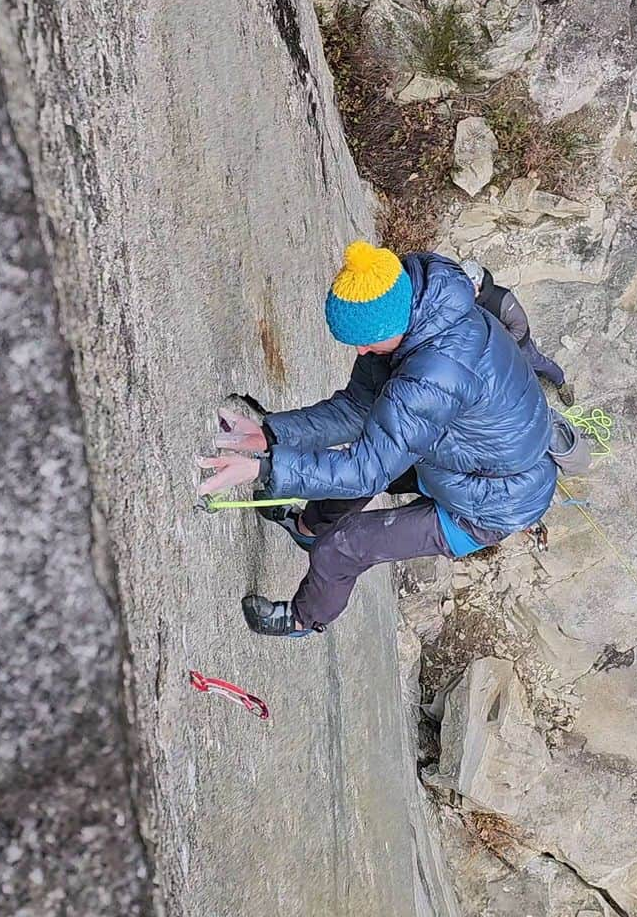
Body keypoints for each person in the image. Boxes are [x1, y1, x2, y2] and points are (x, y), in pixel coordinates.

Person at [197, 241, 560, 638]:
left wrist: (265, 468)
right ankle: (307, 526)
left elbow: (365, 470)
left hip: (491, 502)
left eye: (367, 340)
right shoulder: (412, 316)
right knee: (360, 467)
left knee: (343, 546)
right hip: (465, 458)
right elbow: (357, 408)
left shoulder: (434, 374)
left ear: (392, 324)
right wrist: (272, 435)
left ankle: (302, 619)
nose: (361, 350)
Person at [459, 258, 574, 401]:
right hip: (494, 344)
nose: (470, 288)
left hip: (517, 343)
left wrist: (503, 344)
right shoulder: (466, 299)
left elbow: (520, 327)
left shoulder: (502, 299)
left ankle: (560, 382)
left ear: (479, 281)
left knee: (537, 362)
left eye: (472, 284)